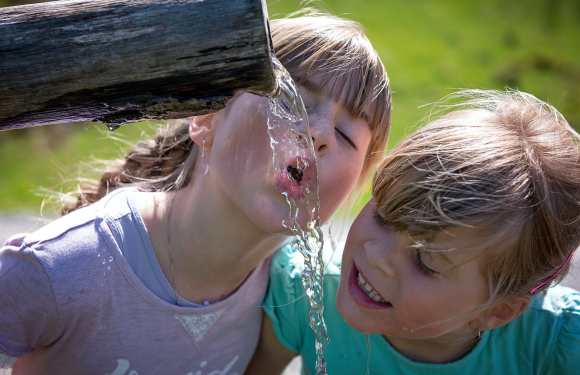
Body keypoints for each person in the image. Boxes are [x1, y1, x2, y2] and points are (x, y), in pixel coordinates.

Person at [0, 11, 391, 374]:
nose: (318, 134)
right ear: (205, 119)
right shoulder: (64, 266)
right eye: (293, 102)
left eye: (345, 135)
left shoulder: (288, 296)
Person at [249, 89, 580, 374]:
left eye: (424, 261)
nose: (377, 256)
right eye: (384, 217)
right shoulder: (304, 295)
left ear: (495, 312)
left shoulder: (556, 346)